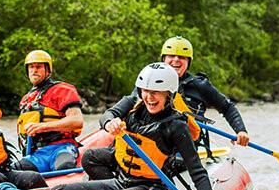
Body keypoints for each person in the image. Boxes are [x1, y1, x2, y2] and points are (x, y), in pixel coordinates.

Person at [48, 63, 220, 190]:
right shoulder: (132, 104)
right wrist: (110, 122)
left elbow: (197, 171)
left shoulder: (177, 126)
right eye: (145, 91)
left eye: (155, 92)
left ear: (169, 93)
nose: (149, 97)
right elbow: (107, 115)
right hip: (122, 182)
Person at [83, 35, 250, 178]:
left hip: (179, 147)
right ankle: (116, 182)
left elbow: (227, 107)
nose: (175, 60)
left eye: (181, 58)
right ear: (163, 59)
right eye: (171, 56)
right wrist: (111, 121)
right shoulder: (148, 82)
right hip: (145, 142)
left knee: (173, 161)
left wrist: (240, 131)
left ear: (188, 62)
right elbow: (123, 109)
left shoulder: (200, 86)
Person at [14, 50, 85, 173]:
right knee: (15, 171)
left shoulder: (62, 89)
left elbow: (77, 121)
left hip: (62, 148)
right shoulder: (26, 99)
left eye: (39, 66)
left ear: (48, 70)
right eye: (31, 67)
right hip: (37, 155)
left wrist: (43, 127)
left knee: (64, 165)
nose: (34, 70)